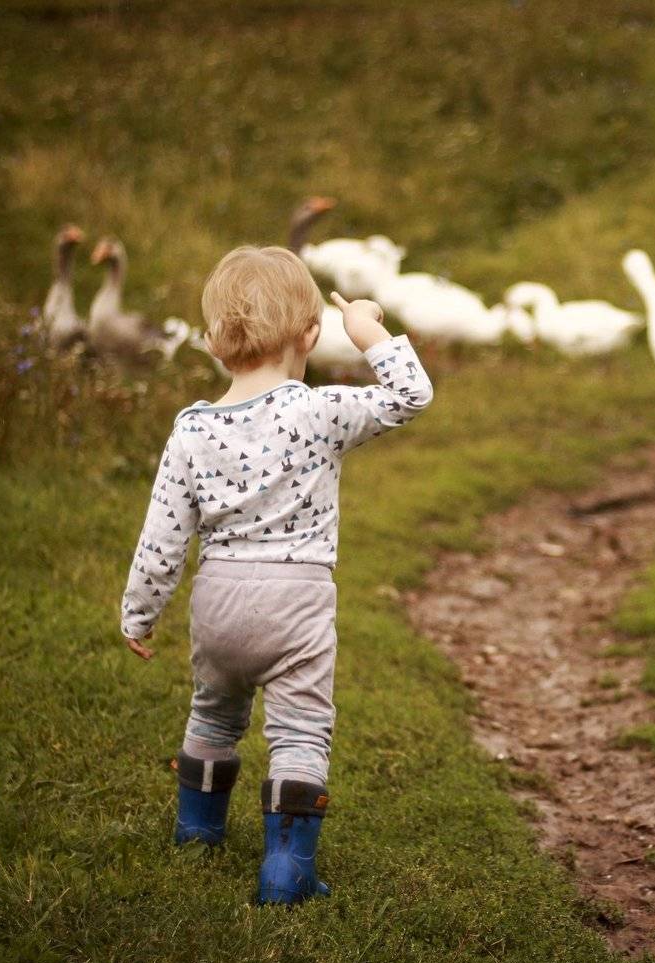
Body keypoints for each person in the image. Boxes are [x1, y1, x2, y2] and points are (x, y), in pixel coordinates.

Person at [119, 245, 433, 905]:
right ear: (310, 335)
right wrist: (369, 333)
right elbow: (411, 396)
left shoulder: (191, 430)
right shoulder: (319, 411)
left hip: (219, 600)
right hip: (297, 601)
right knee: (299, 731)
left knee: (213, 714)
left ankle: (197, 833)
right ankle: (287, 869)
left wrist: (139, 613)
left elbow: (163, 536)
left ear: (212, 342)